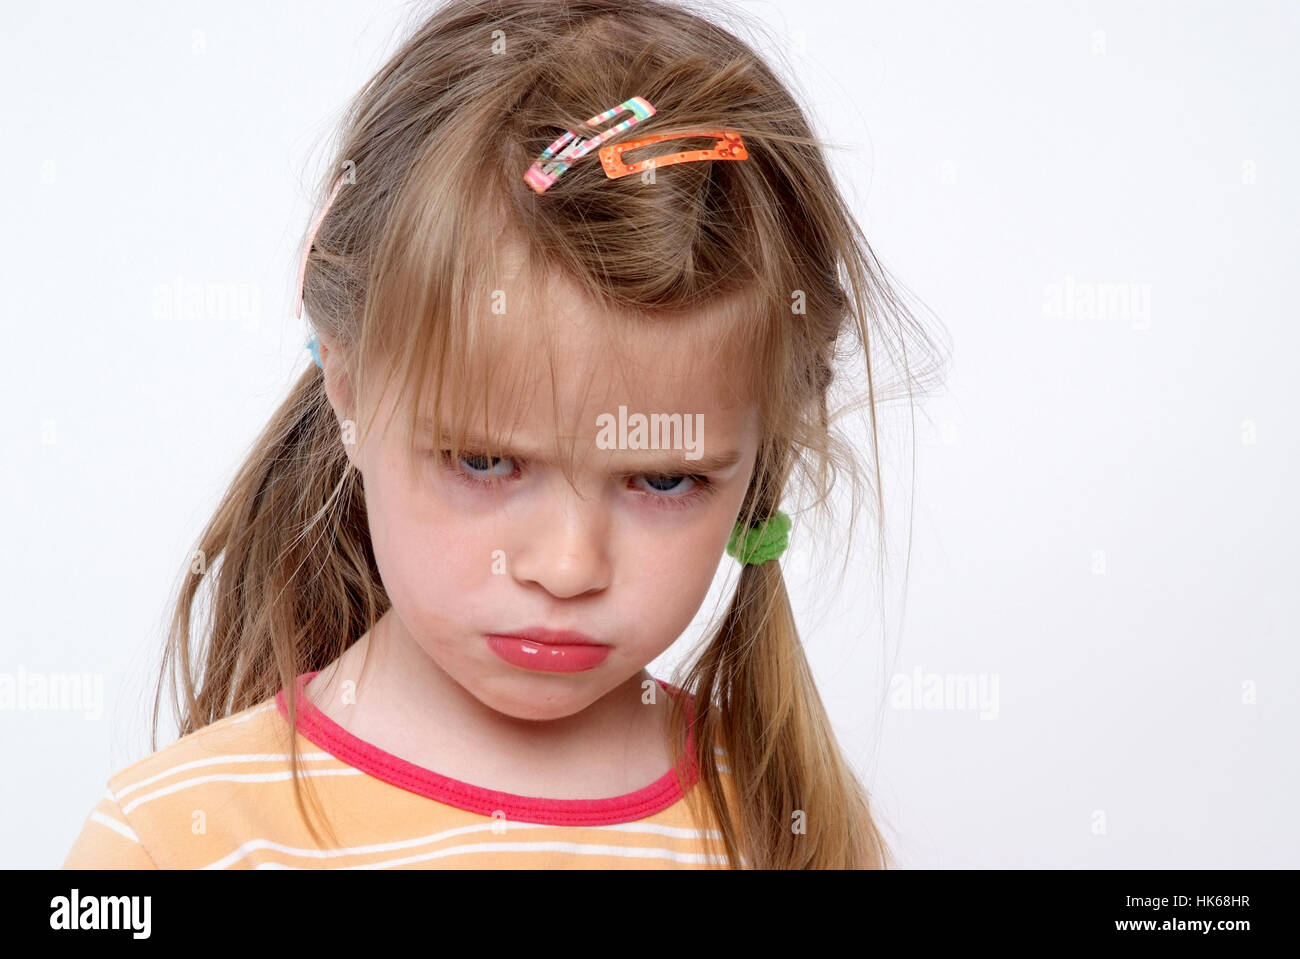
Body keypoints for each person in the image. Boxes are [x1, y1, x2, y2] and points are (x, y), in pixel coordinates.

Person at [63, 0, 947, 870]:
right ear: (347, 384)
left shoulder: (784, 827)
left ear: (759, 459)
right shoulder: (174, 840)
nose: (566, 567)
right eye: (485, 461)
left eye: (665, 480)